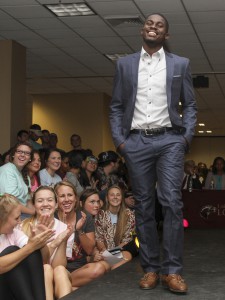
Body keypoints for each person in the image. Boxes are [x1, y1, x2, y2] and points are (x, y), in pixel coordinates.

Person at [109, 13, 197, 293]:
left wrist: (185, 138)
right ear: (142, 31)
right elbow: (116, 107)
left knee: (171, 201)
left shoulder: (180, 64)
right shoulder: (125, 64)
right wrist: (121, 143)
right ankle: (150, 269)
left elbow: (190, 105)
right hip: (135, 143)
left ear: (166, 35)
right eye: (149, 23)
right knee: (144, 206)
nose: (153, 27)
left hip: (170, 139)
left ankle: (172, 271)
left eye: (160, 25)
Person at [21, 186, 74, 300]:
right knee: (46, 268)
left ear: (56, 205)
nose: (45, 204)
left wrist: (63, 239)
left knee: (59, 270)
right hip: (32, 278)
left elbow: (58, 266)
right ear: (34, 205)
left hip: (58, 277)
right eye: (40, 201)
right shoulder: (23, 226)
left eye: (49, 200)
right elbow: (32, 264)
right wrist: (43, 241)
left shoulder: (65, 228)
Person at [0, 193, 55, 300]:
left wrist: (40, 243)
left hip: (16, 292)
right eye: (16, 218)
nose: (19, 222)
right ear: (2, 219)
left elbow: (44, 258)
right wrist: (30, 247)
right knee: (14, 251)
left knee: (32, 251)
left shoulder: (14, 233)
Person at [54, 181, 107, 289]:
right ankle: (64, 285)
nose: (67, 199)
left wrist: (79, 230)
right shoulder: (51, 218)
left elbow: (89, 250)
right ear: (56, 200)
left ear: (75, 198)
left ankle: (67, 286)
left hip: (80, 269)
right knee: (98, 270)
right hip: (60, 270)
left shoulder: (84, 216)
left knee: (105, 266)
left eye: (70, 195)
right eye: (62, 196)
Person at [95, 185, 137, 270]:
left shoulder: (129, 215)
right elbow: (99, 238)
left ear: (122, 198)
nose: (115, 197)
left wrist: (110, 253)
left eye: (118, 195)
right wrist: (104, 252)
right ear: (107, 198)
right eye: (112, 195)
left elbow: (127, 240)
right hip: (105, 251)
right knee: (101, 264)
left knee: (115, 263)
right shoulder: (100, 214)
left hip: (123, 250)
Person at [0, 142, 35, 217]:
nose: (22, 155)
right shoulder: (7, 170)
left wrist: (34, 213)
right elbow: (10, 203)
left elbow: (28, 201)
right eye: (19, 151)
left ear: (30, 159)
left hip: (22, 214)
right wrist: (33, 212)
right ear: (13, 154)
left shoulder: (26, 175)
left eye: (27, 153)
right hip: (8, 216)